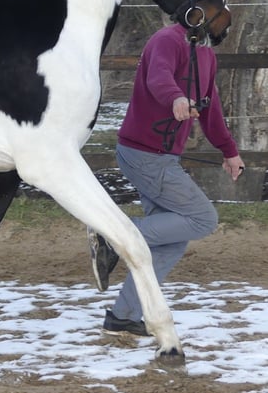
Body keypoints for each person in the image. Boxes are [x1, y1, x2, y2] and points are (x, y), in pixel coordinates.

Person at [89, 21, 245, 336]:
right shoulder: (167, 40)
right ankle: (112, 234)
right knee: (203, 219)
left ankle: (124, 315)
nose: (222, 19)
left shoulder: (205, 53)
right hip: (147, 155)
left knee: (170, 241)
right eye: (217, 11)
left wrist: (229, 151)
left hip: (160, 156)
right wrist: (175, 98)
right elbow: (158, 76)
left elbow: (211, 107)